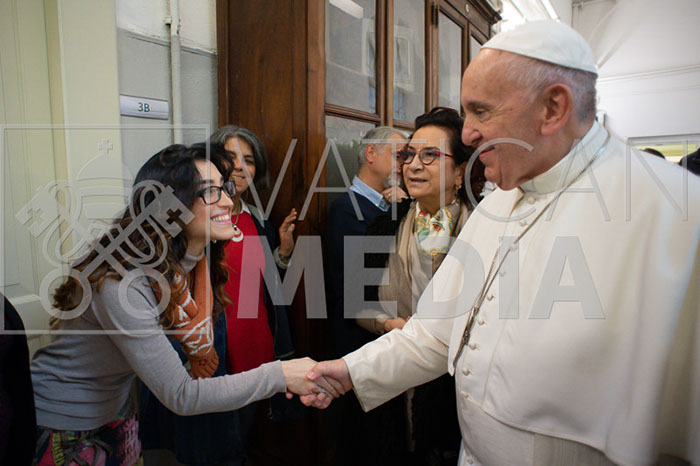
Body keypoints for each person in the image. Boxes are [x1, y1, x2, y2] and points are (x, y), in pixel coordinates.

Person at [302, 20, 699, 465]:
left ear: (553, 108)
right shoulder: (497, 203)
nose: (468, 134)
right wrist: (350, 371)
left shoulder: (678, 213)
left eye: (482, 111)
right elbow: (434, 333)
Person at [30, 143, 340, 465]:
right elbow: (181, 394)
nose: (228, 201)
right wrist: (280, 375)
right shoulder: (123, 281)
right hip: (64, 422)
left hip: (117, 414)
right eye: (210, 192)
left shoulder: (191, 265)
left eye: (224, 188)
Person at [139, 126, 301, 465]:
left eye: (249, 160)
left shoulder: (258, 221)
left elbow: (262, 284)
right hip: (211, 347)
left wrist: (283, 254)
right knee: (207, 440)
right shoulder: (197, 226)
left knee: (238, 435)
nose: (240, 167)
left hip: (254, 341)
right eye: (231, 158)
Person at [339, 107, 484, 466]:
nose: (414, 166)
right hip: (394, 384)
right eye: (408, 155)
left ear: (460, 171)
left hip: (462, 390)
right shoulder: (383, 224)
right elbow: (355, 302)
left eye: (430, 155)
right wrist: (388, 324)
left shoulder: (483, 229)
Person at [326, 126, 407, 357]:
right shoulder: (346, 209)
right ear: (371, 153)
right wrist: (403, 209)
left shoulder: (392, 205)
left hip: (389, 333)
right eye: (398, 156)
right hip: (360, 338)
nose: (404, 166)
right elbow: (371, 274)